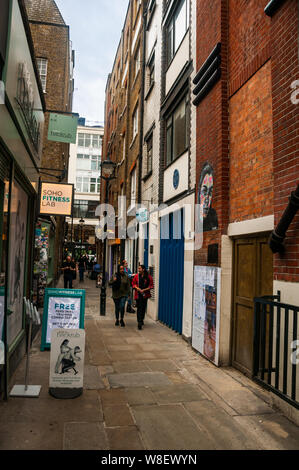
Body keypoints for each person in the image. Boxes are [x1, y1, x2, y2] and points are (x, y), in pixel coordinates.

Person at [132, 265, 154, 330]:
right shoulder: (136, 276)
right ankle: (139, 322)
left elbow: (151, 286)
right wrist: (137, 288)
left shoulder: (148, 277)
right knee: (139, 308)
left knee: (143, 308)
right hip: (138, 295)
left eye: (140, 268)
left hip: (145, 295)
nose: (138, 269)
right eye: (138, 268)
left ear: (143, 269)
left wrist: (144, 290)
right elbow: (133, 283)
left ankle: (142, 319)